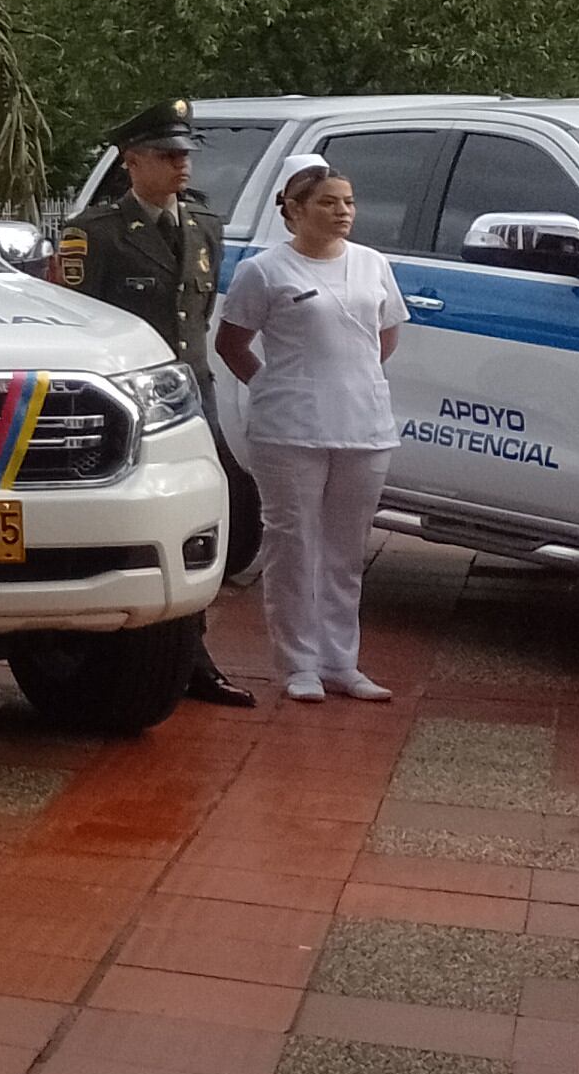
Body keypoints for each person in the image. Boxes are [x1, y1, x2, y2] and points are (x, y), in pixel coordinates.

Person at [56, 99, 256, 708]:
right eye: (169, 156)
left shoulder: (205, 227)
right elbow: (74, 321)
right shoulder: (95, 234)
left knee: (216, 517)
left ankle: (189, 648)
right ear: (132, 161)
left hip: (192, 392)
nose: (182, 166)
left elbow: (196, 315)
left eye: (186, 155)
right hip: (127, 403)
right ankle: (177, 655)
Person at [214, 154, 409, 705]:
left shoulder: (372, 264)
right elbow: (232, 343)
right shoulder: (266, 271)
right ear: (294, 211)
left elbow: (384, 337)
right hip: (290, 430)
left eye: (348, 202)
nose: (342, 211)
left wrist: (351, 378)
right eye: (328, 202)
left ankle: (342, 662)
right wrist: (276, 387)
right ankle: (299, 663)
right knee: (293, 543)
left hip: (364, 425)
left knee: (346, 549)